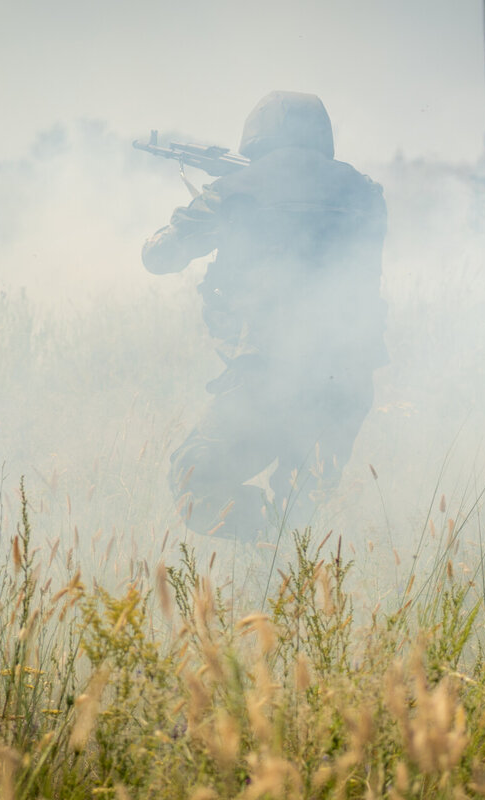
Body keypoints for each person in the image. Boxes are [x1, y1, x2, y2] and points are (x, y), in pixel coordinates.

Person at [143, 90, 387, 541]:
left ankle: (262, 545)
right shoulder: (367, 193)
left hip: (271, 377)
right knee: (299, 517)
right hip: (347, 379)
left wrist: (219, 198)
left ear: (257, 135)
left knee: (192, 480)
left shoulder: (238, 190)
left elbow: (158, 256)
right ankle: (281, 580)